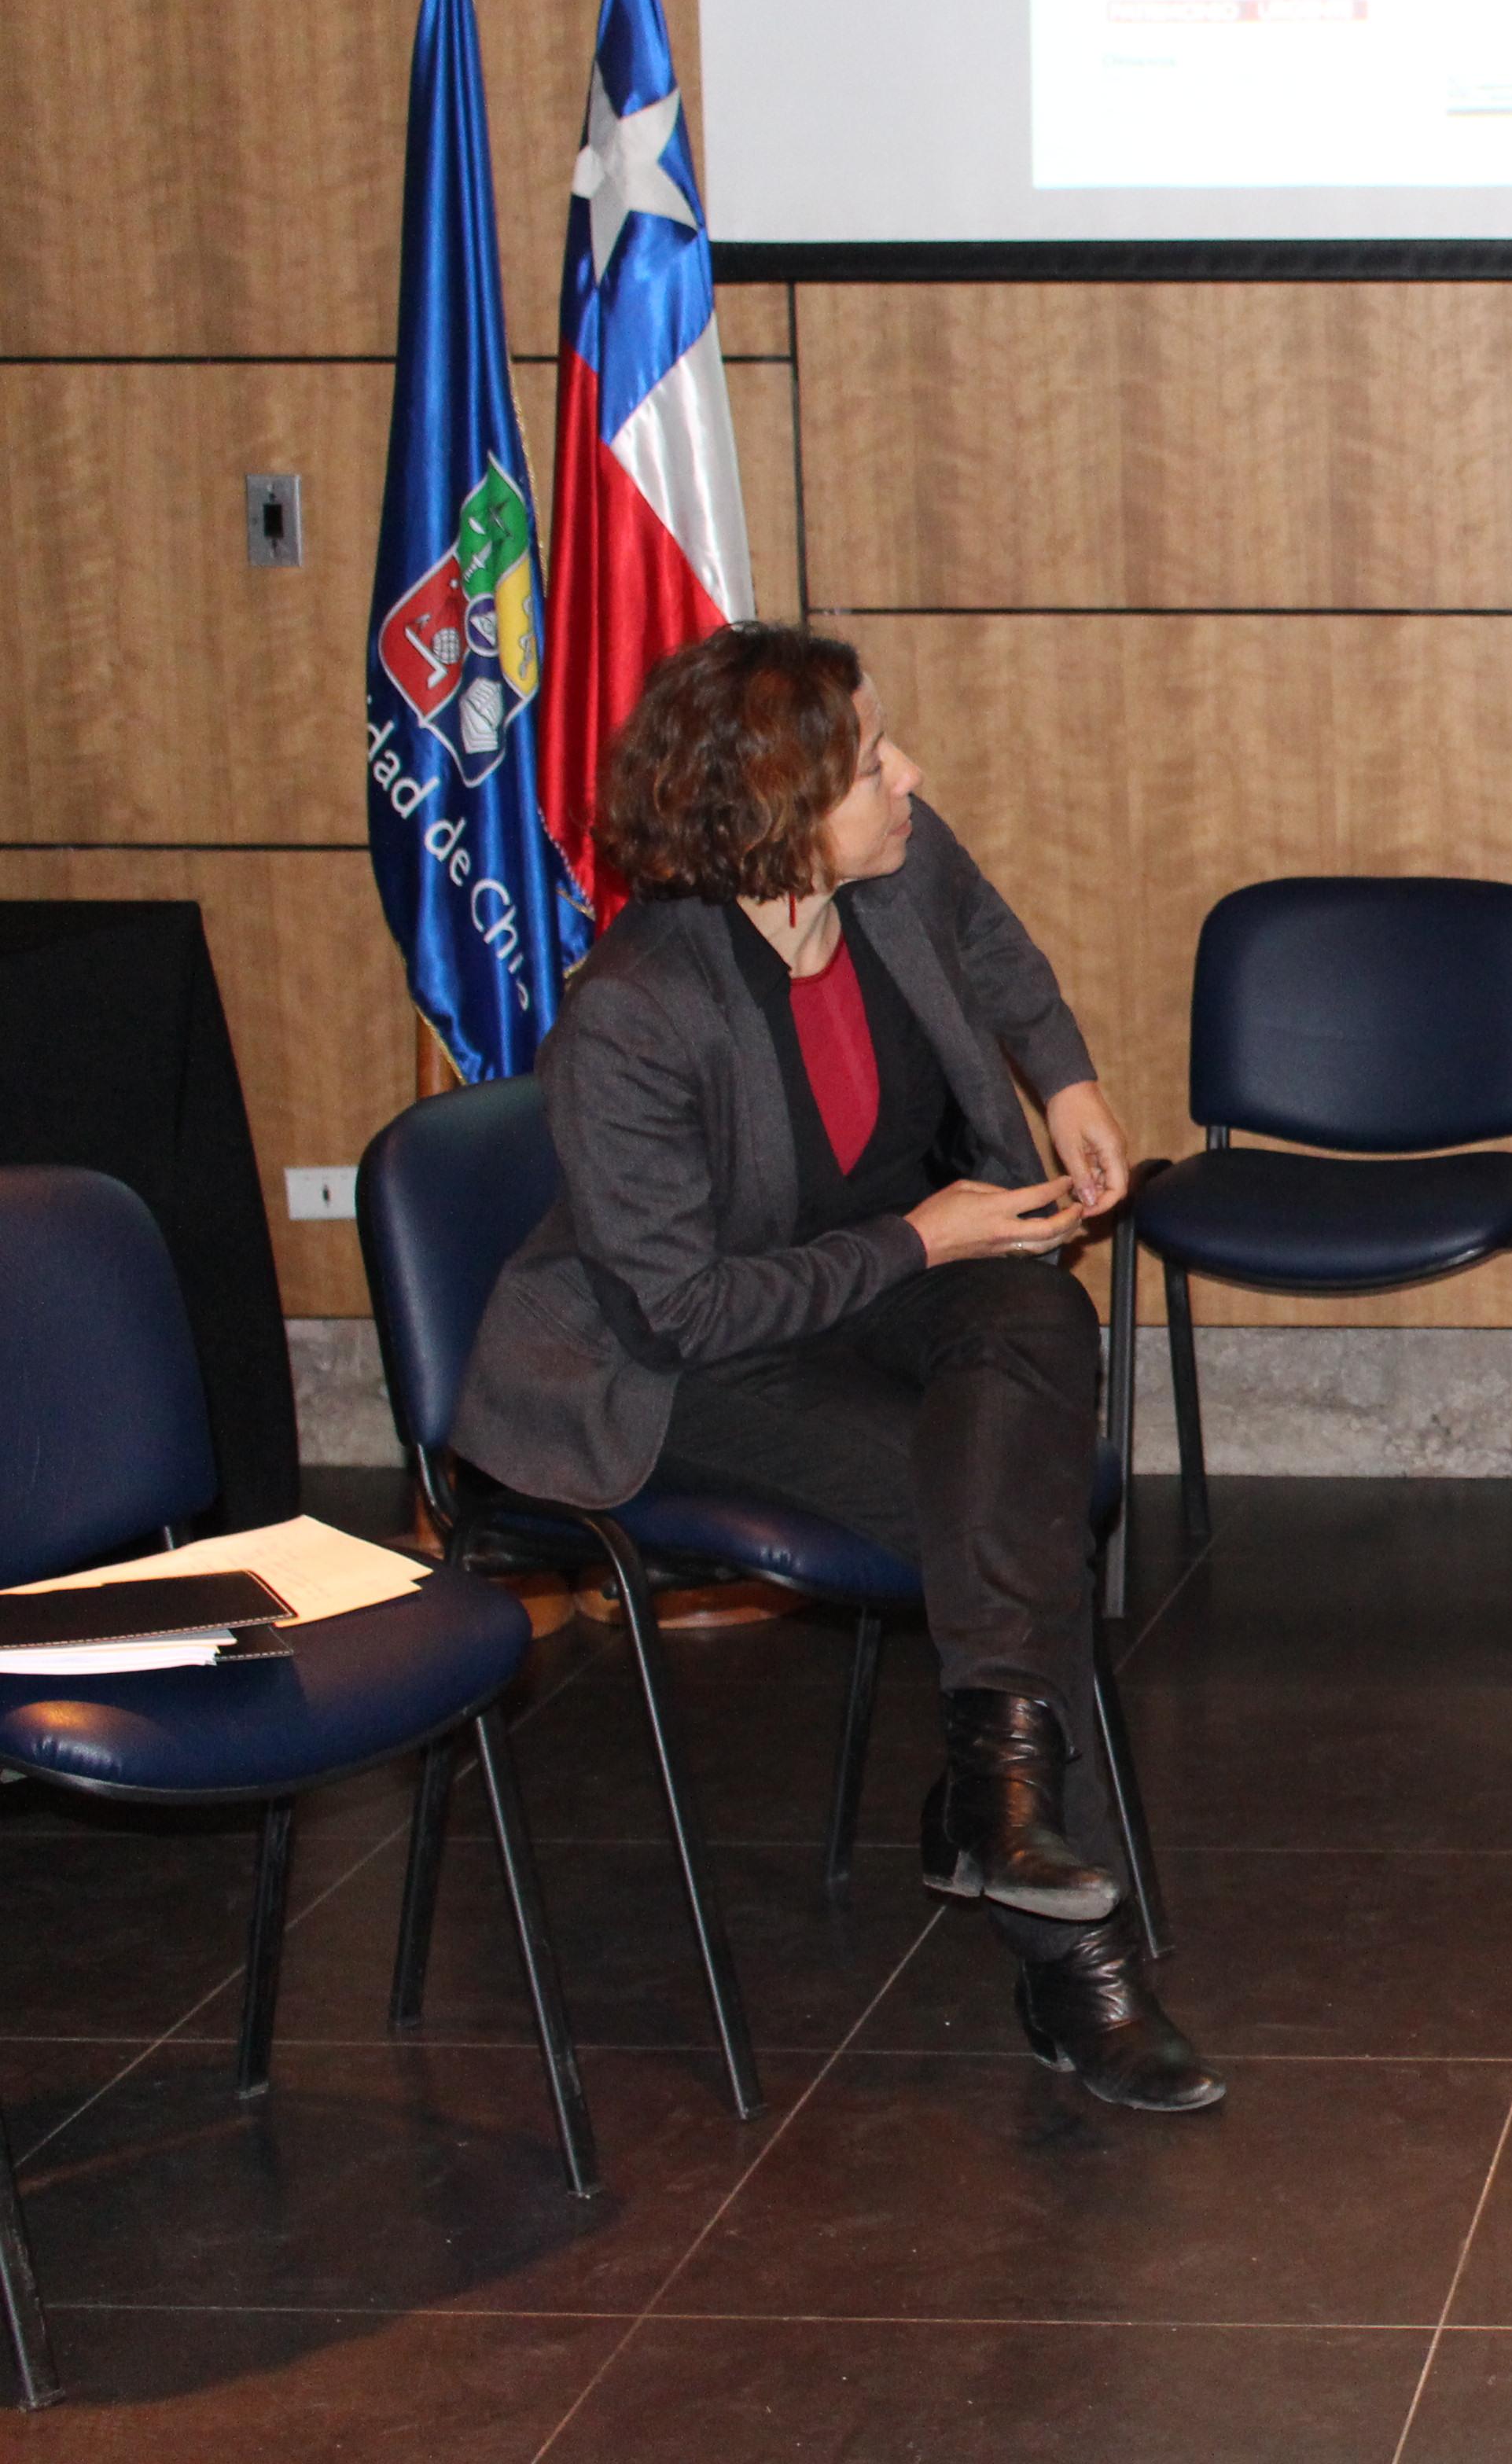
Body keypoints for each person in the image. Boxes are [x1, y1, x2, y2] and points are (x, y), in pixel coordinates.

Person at [451, 622, 1220, 2113]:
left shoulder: (898, 866)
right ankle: (1078, 1965)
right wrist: (925, 1243)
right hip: (669, 1370)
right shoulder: (637, 1013)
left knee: (1039, 1324)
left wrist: (1067, 1082)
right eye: (871, 763)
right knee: (1004, 1508)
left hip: (858, 1285)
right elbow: (683, 1311)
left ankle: (993, 1796)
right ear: (778, 819)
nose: (908, 774)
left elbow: (992, 941)